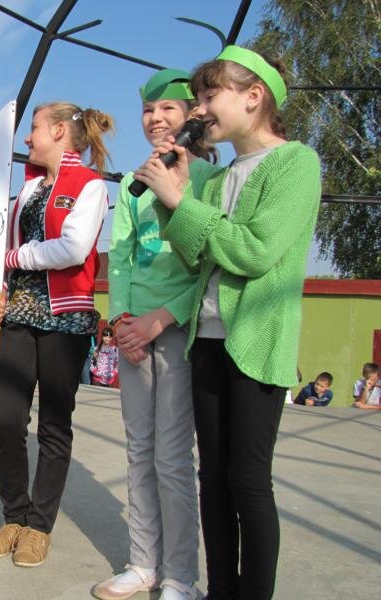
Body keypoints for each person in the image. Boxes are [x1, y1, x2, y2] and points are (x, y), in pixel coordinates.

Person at [135, 46, 321, 599]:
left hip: (257, 342)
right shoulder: (216, 181)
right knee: (212, 478)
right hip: (208, 341)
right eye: (197, 99)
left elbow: (255, 252)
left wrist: (182, 204)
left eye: (209, 96)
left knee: (248, 480)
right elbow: (196, 255)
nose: (198, 110)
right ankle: (220, 590)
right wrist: (172, 197)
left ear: (254, 96)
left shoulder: (296, 164)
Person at [93, 68, 219, 600]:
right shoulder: (132, 183)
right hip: (132, 336)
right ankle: (143, 561)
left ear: (192, 115)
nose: (155, 119)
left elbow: (209, 265)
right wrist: (122, 320)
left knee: (171, 457)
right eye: (148, 110)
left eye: (168, 108)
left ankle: (180, 576)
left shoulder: (210, 179)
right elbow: (121, 256)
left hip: (178, 330)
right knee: (139, 451)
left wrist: (160, 320)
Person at [0, 101, 114, 568]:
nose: (26, 138)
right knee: (6, 419)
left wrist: (15, 260)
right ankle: (13, 517)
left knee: (54, 426)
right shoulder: (29, 189)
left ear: (58, 131)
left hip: (66, 319)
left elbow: (73, 248)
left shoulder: (90, 185)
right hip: (18, 313)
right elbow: (4, 247)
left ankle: (39, 527)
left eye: (34, 128)